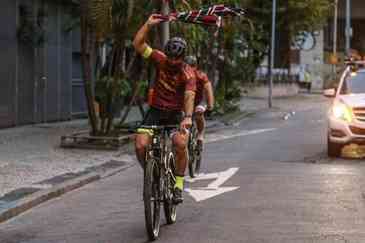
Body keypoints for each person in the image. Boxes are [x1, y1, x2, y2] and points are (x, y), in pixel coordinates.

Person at [133, 14, 196, 204]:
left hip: (176, 114)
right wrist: (148, 24)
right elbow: (138, 44)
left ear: (183, 58)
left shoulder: (188, 73)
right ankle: (151, 174)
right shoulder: (160, 59)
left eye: (177, 58)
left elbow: (189, 95)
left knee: (180, 144)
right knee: (140, 145)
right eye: (170, 57)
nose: (173, 61)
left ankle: (177, 184)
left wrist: (188, 117)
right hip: (156, 111)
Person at [184, 56, 214, 151]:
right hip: (185, 102)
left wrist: (210, 106)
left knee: (199, 112)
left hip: (199, 101)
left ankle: (200, 135)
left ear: (196, 67)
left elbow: (209, 90)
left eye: (192, 67)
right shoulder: (180, 75)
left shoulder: (201, 76)